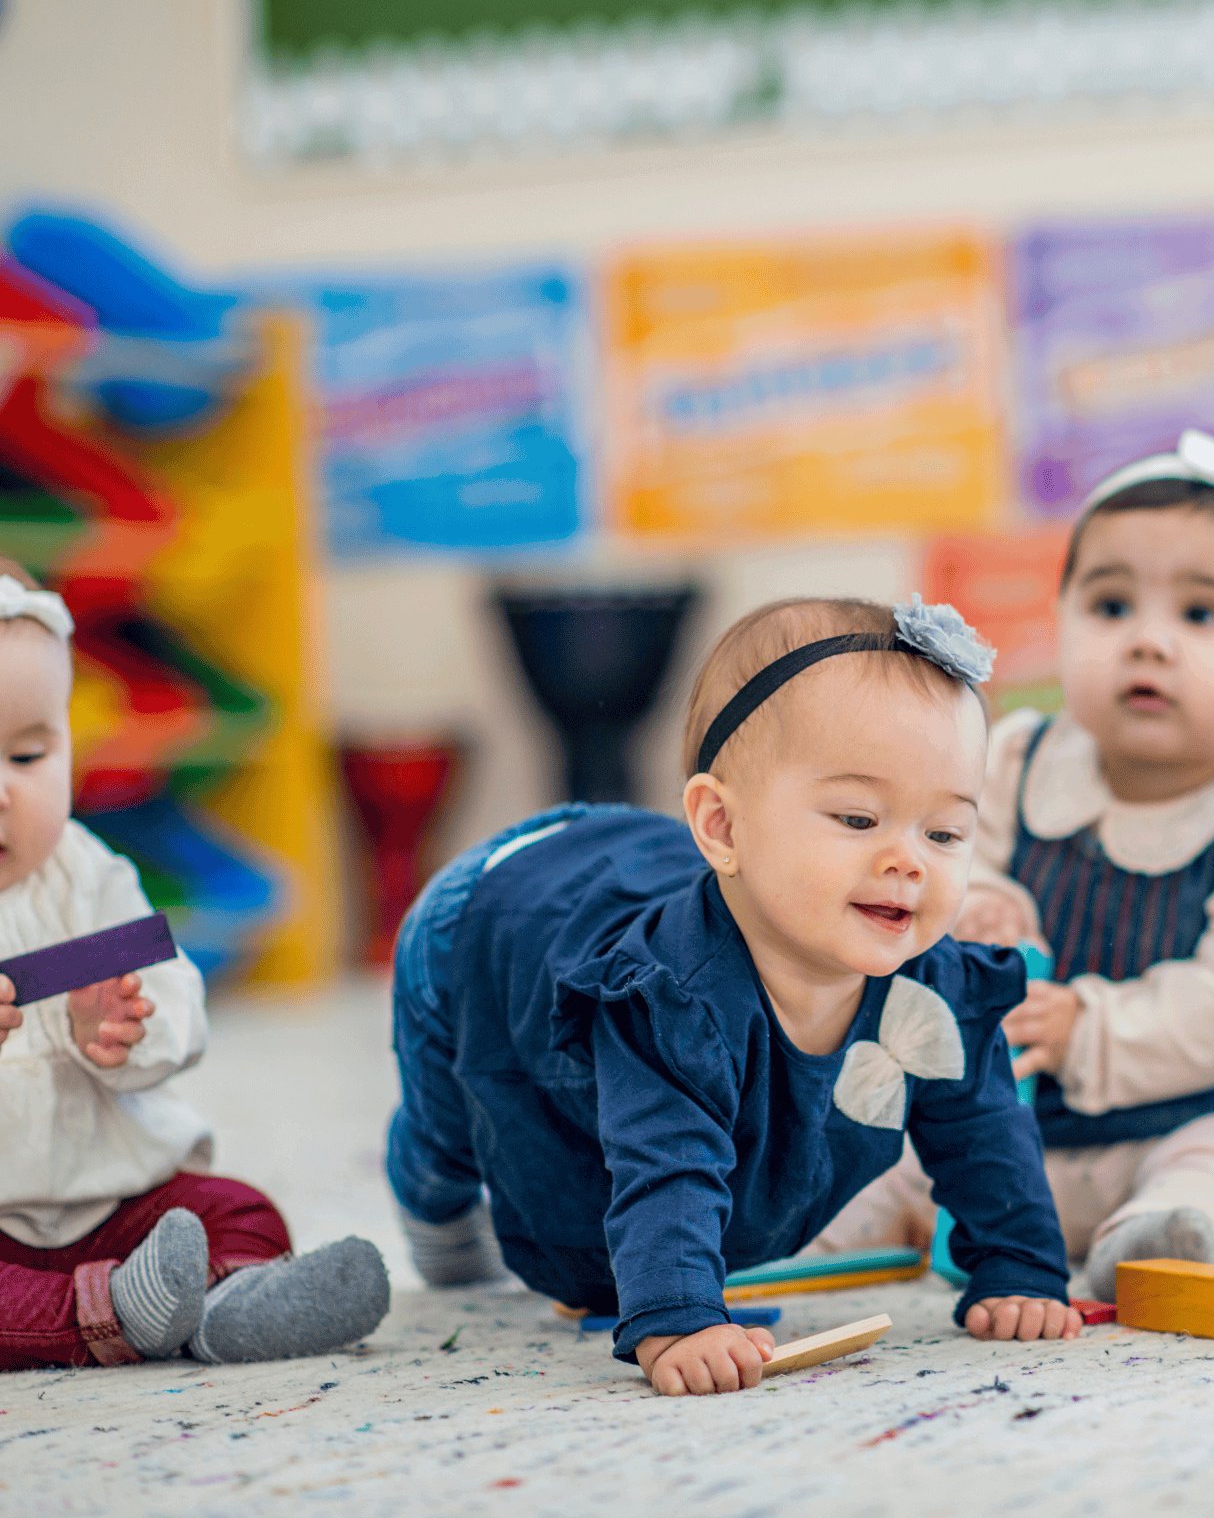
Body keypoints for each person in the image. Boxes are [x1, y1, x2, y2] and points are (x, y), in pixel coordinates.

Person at [386, 597, 1078, 1397]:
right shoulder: (669, 994)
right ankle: (429, 1197)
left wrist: (1020, 1266)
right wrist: (680, 1316)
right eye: (858, 817)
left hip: (630, 864)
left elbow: (984, 1131)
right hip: (493, 911)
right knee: (459, 1120)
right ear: (722, 825)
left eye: (946, 833)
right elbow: (667, 1162)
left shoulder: (935, 982)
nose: (909, 861)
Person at [819, 432, 1214, 1299]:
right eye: (1110, 607)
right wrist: (973, 902)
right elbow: (932, 859)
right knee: (881, 1143)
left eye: (1201, 615)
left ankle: (1173, 1237)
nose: (1149, 642)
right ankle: (790, 1233)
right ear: (1060, 625)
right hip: (1002, 1126)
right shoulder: (1017, 761)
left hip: (1191, 1117)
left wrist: (1086, 1029)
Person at [0, 561, 389, 1371]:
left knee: (239, 1211)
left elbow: (169, 984)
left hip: (121, 1203)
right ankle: (99, 1317)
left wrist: (124, 1029)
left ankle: (231, 1305)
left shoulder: (91, 874)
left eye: (29, 756)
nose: (4, 793)